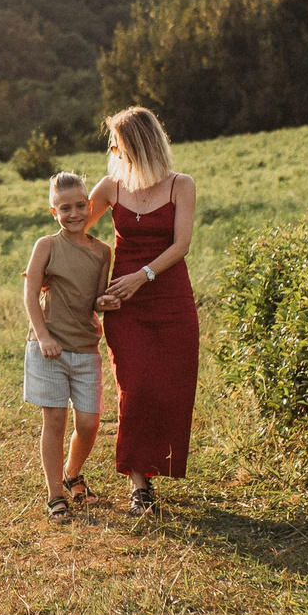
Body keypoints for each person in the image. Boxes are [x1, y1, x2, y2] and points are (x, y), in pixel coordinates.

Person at [85, 105, 198, 514]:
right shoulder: (110, 186)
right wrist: (77, 280)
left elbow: (180, 246)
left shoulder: (180, 185)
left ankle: (155, 469)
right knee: (136, 389)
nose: (113, 151)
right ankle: (139, 485)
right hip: (124, 304)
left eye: (118, 144)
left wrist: (142, 276)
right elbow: (75, 232)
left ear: (139, 145)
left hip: (170, 300)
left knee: (169, 391)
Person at [19, 170, 110, 521]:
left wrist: (108, 303)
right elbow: (30, 294)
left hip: (86, 348)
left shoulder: (103, 252)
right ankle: (55, 494)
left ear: (90, 205)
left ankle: (73, 473)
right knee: (54, 420)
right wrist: (43, 336)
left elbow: (98, 300)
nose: (74, 214)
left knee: (89, 423)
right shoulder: (46, 246)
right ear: (53, 212)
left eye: (80, 206)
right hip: (48, 349)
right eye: (64, 208)